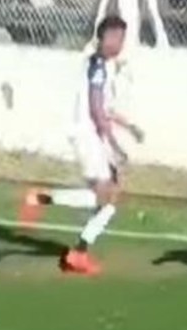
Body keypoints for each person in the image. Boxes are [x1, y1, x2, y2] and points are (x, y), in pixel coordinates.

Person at [18, 15, 143, 276]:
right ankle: (46, 205)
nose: (119, 43)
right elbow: (96, 110)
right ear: (103, 37)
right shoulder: (97, 67)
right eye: (115, 37)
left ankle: (78, 249)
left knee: (110, 197)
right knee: (105, 197)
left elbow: (105, 108)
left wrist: (128, 126)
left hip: (93, 134)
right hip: (88, 136)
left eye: (122, 38)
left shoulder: (104, 66)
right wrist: (114, 145)